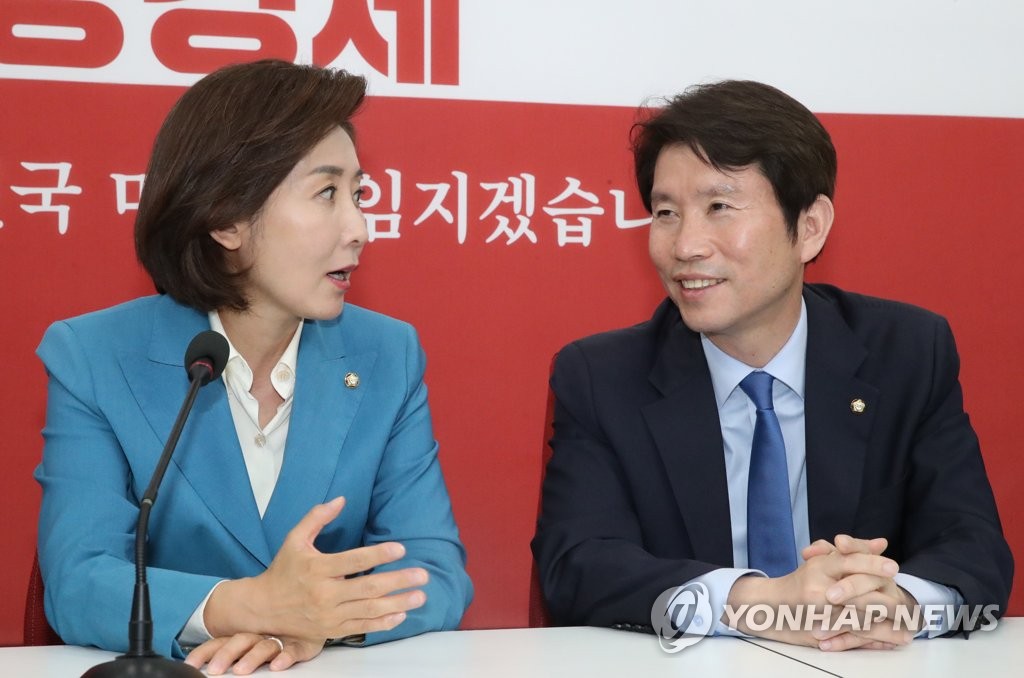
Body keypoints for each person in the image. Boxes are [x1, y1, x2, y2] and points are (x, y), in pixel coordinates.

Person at [531, 80, 1012, 651]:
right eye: (666, 212)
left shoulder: (907, 352)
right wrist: (760, 602)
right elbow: (577, 565)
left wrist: (897, 603)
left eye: (719, 207)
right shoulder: (601, 377)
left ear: (809, 226)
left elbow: (973, 545)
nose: (686, 245)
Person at [35, 59, 473, 675]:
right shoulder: (94, 356)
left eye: (358, 195)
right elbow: (78, 582)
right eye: (326, 193)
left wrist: (324, 622)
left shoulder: (387, 354)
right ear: (225, 218)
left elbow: (435, 571)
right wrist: (247, 607)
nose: (360, 229)